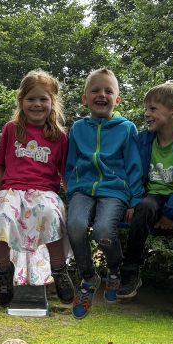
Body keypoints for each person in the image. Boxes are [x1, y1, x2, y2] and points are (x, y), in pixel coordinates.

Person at [0, 69, 75, 307]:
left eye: (43, 99)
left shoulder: (59, 136)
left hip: (44, 191)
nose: (37, 104)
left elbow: (65, 173)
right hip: (12, 189)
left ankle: (59, 269)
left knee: (50, 214)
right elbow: (0, 164)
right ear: (21, 101)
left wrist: (71, 199)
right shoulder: (13, 129)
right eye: (31, 98)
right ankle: (4, 272)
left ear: (52, 103)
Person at [118, 81, 173, 311]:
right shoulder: (144, 141)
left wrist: (171, 213)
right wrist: (132, 201)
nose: (146, 114)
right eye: (146, 109)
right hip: (155, 195)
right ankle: (130, 271)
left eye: (152, 109)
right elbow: (133, 172)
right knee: (143, 209)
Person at [64, 68, 142, 318]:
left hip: (114, 191)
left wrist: (134, 200)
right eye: (95, 90)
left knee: (103, 231)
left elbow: (134, 166)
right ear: (85, 98)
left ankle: (115, 269)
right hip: (83, 190)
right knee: (74, 225)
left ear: (117, 100)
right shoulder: (77, 128)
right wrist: (71, 190)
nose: (102, 95)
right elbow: (70, 163)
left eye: (109, 91)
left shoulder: (127, 128)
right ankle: (88, 277)